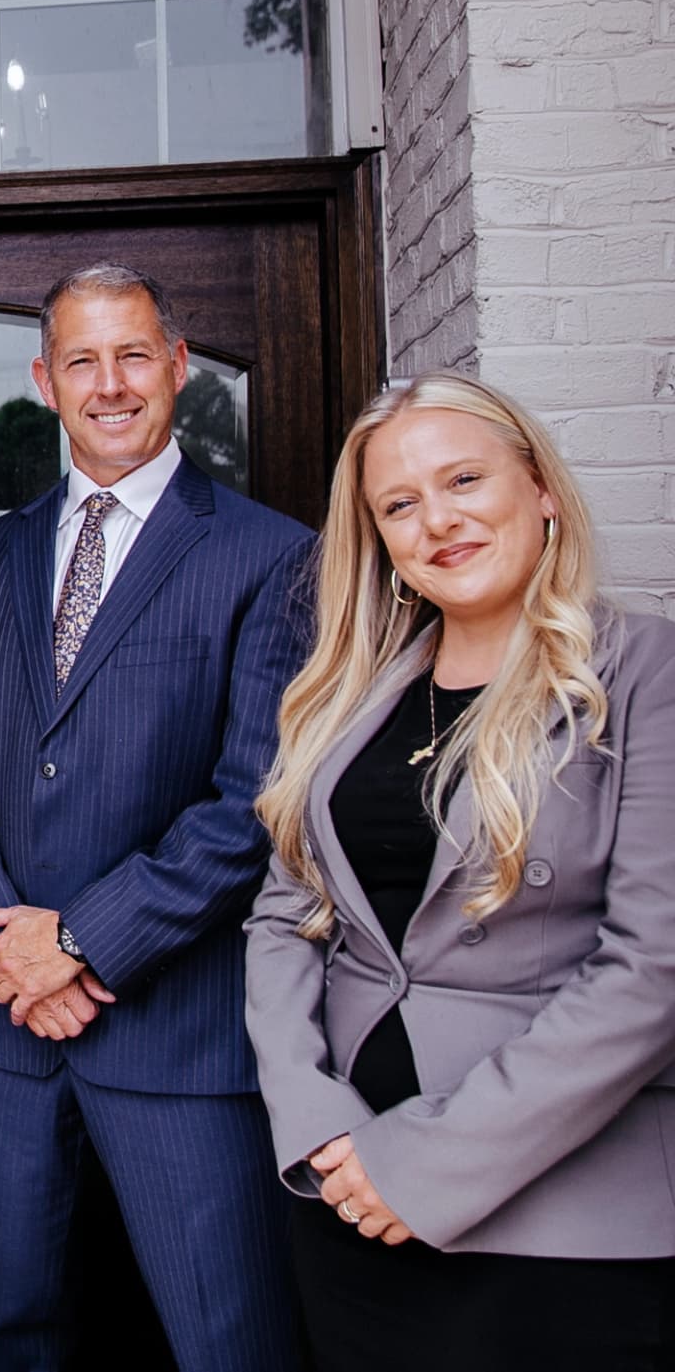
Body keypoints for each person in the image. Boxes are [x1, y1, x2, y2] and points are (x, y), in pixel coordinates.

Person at [246, 372, 675, 1369]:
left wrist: (424, 1163)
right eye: (400, 504)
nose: (435, 520)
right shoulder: (346, 699)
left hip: (562, 1226)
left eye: (464, 481)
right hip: (349, 1201)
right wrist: (315, 1124)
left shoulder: (646, 676)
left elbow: (652, 970)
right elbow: (282, 917)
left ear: (542, 492)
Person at [0, 262, 312, 1370]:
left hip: (176, 1031)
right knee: (6, 1335)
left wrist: (83, 944)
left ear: (179, 368)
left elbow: (252, 802)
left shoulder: (270, 556)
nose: (111, 384)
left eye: (134, 354)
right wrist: (15, 947)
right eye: (83, 361)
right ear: (44, 381)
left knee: (223, 1339)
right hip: (6, 1030)